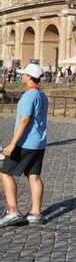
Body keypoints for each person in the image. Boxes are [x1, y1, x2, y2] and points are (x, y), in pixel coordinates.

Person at [0, 63, 49, 227]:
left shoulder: (28, 96)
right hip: (39, 143)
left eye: (23, 74)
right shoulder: (42, 95)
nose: (21, 76)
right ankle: (36, 213)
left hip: (25, 143)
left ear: (29, 77)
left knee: (5, 172)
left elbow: (25, 120)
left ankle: (12, 211)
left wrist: (12, 144)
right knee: (34, 176)